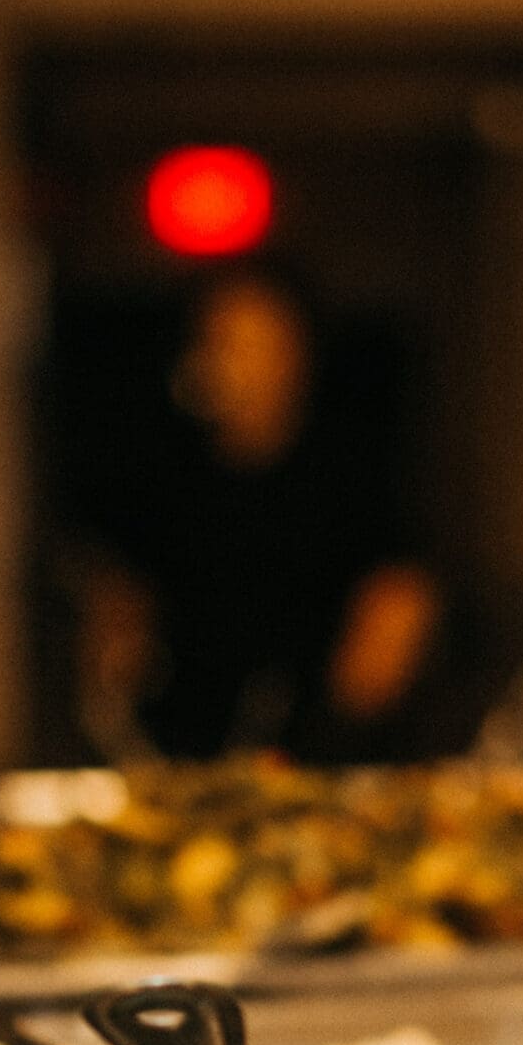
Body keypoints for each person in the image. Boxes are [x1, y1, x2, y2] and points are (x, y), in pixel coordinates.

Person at [67, 261, 441, 762]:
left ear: (296, 355)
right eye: (219, 343)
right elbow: (113, 584)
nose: (231, 364)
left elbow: (399, 591)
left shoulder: (351, 474)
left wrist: (392, 627)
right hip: (178, 754)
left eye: (252, 345)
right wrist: (114, 623)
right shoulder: (161, 469)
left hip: (322, 759)